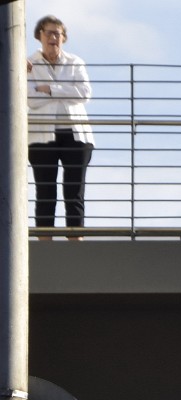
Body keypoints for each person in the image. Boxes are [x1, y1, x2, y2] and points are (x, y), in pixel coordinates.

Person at [26, 15, 95, 235]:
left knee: (74, 191)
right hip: (41, 136)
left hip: (75, 136)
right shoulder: (27, 64)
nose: (53, 37)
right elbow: (30, 100)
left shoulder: (75, 62)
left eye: (58, 33)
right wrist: (64, 91)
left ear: (63, 38)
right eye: (49, 32)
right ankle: (45, 241)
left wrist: (48, 88)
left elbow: (84, 94)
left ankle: (76, 240)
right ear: (39, 36)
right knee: (45, 191)